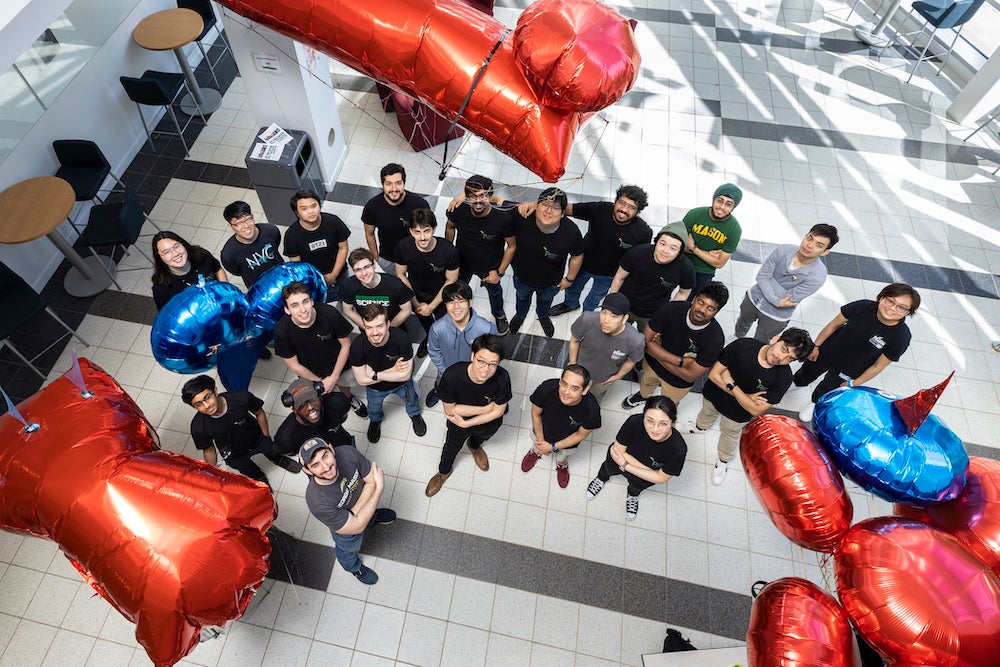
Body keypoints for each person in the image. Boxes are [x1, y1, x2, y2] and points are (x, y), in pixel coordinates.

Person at [692, 328, 814, 486]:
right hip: (713, 395)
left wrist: (732, 384)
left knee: (729, 435)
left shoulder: (783, 378)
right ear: (776, 338)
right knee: (706, 413)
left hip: (737, 414)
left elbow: (755, 410)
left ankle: (723, 460)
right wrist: (747, 397)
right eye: (784, 349)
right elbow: (714, 375)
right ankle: (700, 427)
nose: (781, 358)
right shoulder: (743, 346)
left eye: (790, 358)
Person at [789, 283, 919, 423]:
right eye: (890, 301)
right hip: (829, 349)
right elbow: (833, 325)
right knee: (808, 370)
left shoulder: (901, 337)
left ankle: (814, 403)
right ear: (882, 298)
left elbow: (878, 366)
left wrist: (855, 382)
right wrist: (816, 346)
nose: (892, 308)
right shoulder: (862, 307)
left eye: (901, 307)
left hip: (851, 367)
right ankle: (797, 383)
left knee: (828, 387)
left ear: (908, 312)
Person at [518, 185, 653, 316]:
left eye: (632, 207)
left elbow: (637, 260)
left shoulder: (643, 232)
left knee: (596, 296)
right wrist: (537, 205)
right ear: (615, 201)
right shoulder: (600, 209)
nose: (624, 209)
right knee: (572, 289)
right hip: (583, 264)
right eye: (622, 202)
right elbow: (566, 208)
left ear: (638, 212)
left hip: (609, 274)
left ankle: (587, 313)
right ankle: (570, 305)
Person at [300, 437, 396, 585]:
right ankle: (354, 568)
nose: (326, 467)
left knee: (368, 516)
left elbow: (371, 481)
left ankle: (371, 517)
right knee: (348, 550)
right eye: (315, 465)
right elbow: (356, 527)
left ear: (331, 449)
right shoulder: (316, 501)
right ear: (307, 470)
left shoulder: (347, 453)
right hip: (346, 531)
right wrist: (377, 492)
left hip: (356, 513)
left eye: (325, 456)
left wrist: (357, 515)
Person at [425, 334, 511, 496]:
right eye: (481, 361)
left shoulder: (502, 378)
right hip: (457, 424)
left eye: (493, 364)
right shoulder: (452, 376)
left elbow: (498, 411)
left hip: (487, 423)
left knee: (480, 438)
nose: (485, 369)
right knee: (450, 448)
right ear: (472, 356)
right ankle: (443, 472)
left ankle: (474, 446)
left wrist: (468, 421)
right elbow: (451, 411)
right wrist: (485, 409)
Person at [621, 281, 729, 410]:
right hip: (652, 365)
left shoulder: (715, 339)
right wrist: (680, 361)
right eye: (700, 302)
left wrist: (657, 351)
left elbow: (690, 376)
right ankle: (643, 396)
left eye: (710, 308)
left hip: (678, 382)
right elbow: (644, 342)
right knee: (646, 384)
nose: (702, 310)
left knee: (668, 405)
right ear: (694, 299)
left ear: (717, 311)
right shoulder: (671, 309)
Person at [182, 375, 301, 486]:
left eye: (207, 397)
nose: (206, 405)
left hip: (256, 436)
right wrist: (211, 471)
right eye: (198, 404)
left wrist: (266, 436)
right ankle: (259, 477)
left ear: (215, 391)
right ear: (194, 407)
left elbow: (259, 413)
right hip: (233, 453)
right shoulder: (198, 426)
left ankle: (278, 458)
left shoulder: (240, 398)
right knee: (247, 469)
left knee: (271, 449)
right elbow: (209, 450)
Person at [273, 281, 368, 418]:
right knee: (320, 395)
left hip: (340, 365)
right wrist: (321, 383)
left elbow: (346, 345)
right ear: (287, 310)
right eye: (295, 305)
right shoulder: (282, 332)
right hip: (310, 372)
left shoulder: (329, 314)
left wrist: (334, 377)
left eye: (305, 301)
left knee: (345, 385)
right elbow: (294, 365)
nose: (303, 309)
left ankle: (348, 398)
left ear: (312, 301)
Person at [585, 395, 686, 521]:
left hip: (631, 468)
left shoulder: (678, 448)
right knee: (607, 469)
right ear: (643, 417)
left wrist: (626, 465)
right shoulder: (634, 422)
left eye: (663, 424)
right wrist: (653, 472)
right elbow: (617, 450)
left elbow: (661, 478)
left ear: (673, 422)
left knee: (636, 487)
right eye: (649, 421)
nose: (655, 429)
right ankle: (601, 479)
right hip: (619, 462)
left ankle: (632, 495)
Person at [735, 224, 838, 342]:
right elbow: (762, 276)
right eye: (810, 238)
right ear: (805, 236)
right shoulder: (783, 250)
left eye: (819, 245)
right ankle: (735, 339)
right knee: (742, 323)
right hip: (754, 298)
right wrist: (777, 300)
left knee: (761, 341)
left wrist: (769, 280)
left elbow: (788, 297)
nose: (809, 245)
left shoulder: (818, 276)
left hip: (775, 316)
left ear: (825, 252)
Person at [445, 174, 516, 335]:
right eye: (472, 196)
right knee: (457, 292)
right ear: (466, 197)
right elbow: (450, 226)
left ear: (490, 196)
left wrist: (499, 272)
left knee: (495, 292)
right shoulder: (458, 210)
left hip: (490, 267)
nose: (478, 201)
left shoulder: (502, 217)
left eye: (483, 196)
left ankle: (499, 315)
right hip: (463, 263)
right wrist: (448, 252)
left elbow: (512, 246)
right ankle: (459, 315)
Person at [509, 187, 584, 338]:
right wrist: (463, 195)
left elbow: (577, 256)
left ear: (563, 213)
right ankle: (520, 315)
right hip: (522, 277)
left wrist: (569, 279)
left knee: (545, 301)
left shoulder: (571, 231)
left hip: (551, 282)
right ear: (536, 205)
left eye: (555, 207)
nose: (549, 211)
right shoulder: (522, 216)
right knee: (522, 298)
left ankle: (543, 316)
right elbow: (494, 202)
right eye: (545, 204)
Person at [350, 304, 426, 443]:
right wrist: (394, 371)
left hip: (402, 384)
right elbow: (361, 380)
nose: (375, 333)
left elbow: (405, 375)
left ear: (388, 324)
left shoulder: (401, 339)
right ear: (364, 327)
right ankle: (375, 420)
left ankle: (415, 414)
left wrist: (374, 374)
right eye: (369, 327)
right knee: (373, 407)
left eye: (379, 326)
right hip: (375, 388)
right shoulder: (357, 346)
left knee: (412, 400)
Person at [521, 365, 602, 489]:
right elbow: (536, 414)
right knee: (536, 445)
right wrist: (541, 442)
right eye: (564, 384)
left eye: (575, 388)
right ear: (560, 381)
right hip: (541, 431)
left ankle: (561, 464)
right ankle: (535, 452)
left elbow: (580, 435)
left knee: (562, 456)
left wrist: (552, 447)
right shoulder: (546, 389)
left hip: (568, 442)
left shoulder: (592, 409)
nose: (566, 392)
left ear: (585, 390)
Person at [395, 208, 460, 358]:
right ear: (411, 232)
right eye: (417, 232)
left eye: (426, 231)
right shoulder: (403, 247)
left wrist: (431, 307)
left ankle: (445, 343)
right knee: (426, 322)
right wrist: (416, 303)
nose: (423, 237)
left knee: (446, 325)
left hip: (443, 294)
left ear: (434, 229)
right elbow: (401, 274)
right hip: (416, 294)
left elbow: (451, 280)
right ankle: (430, 337)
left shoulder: (449, 251)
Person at [609, 222, 695, 333]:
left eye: (673, 248)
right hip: (625, 305)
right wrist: (612, 303)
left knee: (644, 342)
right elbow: (619, 277)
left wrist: (667, 314)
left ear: (680, 251)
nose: (665, 251)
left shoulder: (686, 268)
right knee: (615, 335)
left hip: (653, 314)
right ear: (656, 242)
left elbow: (684, 292)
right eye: (662, 244)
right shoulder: (638, 253)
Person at [425, 281, 497, 408]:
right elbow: (434, 352)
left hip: (477, 372)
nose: (456, 307)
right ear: (445, 305)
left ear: (470, 302)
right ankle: (438, 391)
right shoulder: (437, 328)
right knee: (441, 383)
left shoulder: (486, 328)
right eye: (451, 302)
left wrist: (482, 371)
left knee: (484, 389)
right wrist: (445, 371)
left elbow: (495, 354)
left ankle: (496, 398)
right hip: (447, 371)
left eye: (461, 301)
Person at [568, 293, 645, 402]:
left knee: (593, 398)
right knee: (571, 393)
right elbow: (574, 340)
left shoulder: (636, 341)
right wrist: (572, 362)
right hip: (579, 367)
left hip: (605, 377)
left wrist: (618, 376)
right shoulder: (587, 319)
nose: (606, 320)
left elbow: (631, 362)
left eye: (614, 316)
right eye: (604, 312)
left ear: (625, 318)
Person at [340, 247, 425, 344]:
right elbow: (348, 310)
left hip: (394, 328)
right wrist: (368, 328)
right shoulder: (348, 286)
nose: (364, 273)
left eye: (367, 267)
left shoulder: (394, 284)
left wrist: (386, 329)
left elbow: (406, 310)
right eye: (358, 270)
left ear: (374, 264)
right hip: (367, 331)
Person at [362, 162, 431, 274]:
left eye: (398, 183)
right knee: (396, 282)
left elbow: (427, 229)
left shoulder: (419, 204)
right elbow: (369, 233)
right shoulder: (372, 207)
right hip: (388, 258)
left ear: (404, 183)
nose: (394, 189)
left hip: (416, 254)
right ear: (382, 185)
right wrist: (375, 255)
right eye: (388, 184)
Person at [283, 188, 351, 301]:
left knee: (346, 297)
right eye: (304, 209)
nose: (310, 211)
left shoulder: (333, 222)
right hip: (312, 280)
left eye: (313, 206)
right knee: (318, 304)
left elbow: (343, 248)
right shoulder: (291, 235)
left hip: (339, 271)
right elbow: (298, 266)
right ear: (297, 213)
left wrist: (333, 275)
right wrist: (318, 280)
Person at [683, 183, 743, 290]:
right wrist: (707, 254)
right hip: (681, 259)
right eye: (719, 200)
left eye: (728, 204)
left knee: (694, 298)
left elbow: (719, 263)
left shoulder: (734, 229)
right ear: (713, 200)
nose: (722, 207)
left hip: (704, 270)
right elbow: (678, 245)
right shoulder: (695, 214)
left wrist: (693, 248)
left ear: (733, 208)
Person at [274, 378, 354, 457]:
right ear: (294, 410)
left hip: (345, 446)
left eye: (312, 399)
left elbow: (342, 417)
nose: (310, 407)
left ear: (320, 397)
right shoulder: (286, 439)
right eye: (302, 404)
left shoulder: (338, 402)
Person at [151, 231, 228, 310]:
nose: (175, 254)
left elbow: (218, 269)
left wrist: (226, 293)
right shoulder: (162, 288)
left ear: (183, 244)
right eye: (166, 252)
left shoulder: (201, 255)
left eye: (176, 246)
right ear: (160, 258)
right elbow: (166, 313)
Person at [219, 200, 283, 289]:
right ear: (230, 227)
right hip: (258, 289)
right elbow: (236, 271)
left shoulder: (270, 231)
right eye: (239, 223)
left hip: (282, 277)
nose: (246, 226)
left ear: (253, 217)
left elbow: (276, 243)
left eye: (248, 219)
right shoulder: (229, 254)